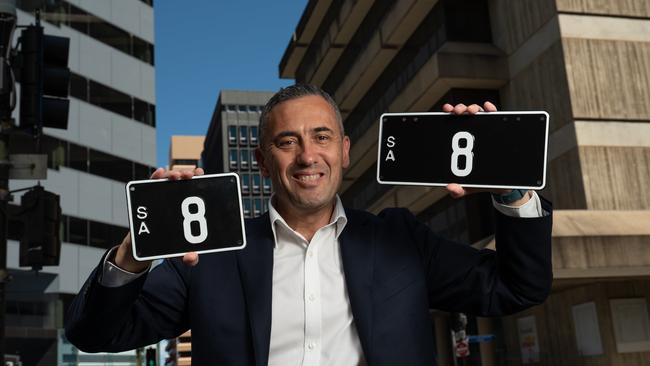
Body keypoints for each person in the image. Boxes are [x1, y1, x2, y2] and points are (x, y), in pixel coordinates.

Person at [65, 84, 551, 365]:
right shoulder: (211, 256)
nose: (307, 156)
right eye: (287, 142)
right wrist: (138, 247)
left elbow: (516, 286)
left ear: (344, 150)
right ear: (261, 160)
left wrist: (509, 189)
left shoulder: (399, 240)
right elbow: (94, 333)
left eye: (321, 137)